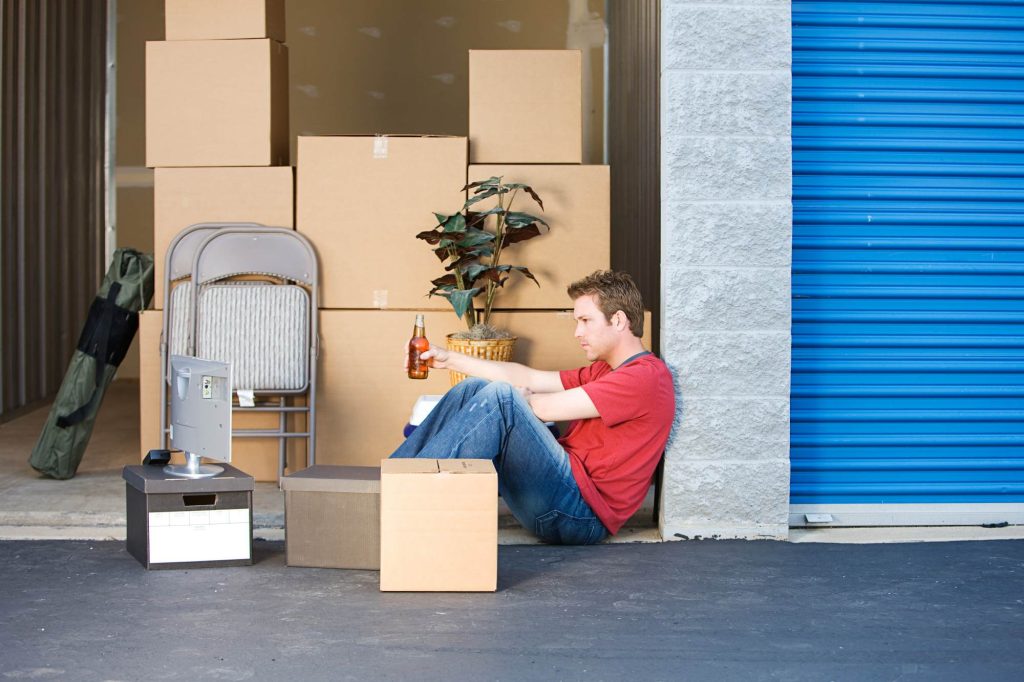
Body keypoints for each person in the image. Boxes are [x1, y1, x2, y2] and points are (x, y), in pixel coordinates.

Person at [391, 270, 675, 545]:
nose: (578, 332)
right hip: (559, 497)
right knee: (473, 387)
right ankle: (391, 482)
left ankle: (406, 502)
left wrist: (521, 399)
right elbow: (529, 378)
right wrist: (449, 359)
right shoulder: (605, 371)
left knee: (502, 397)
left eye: (586, 320)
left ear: (618, 320)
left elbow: (545, 408)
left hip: (580, 515)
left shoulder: (644, 377)